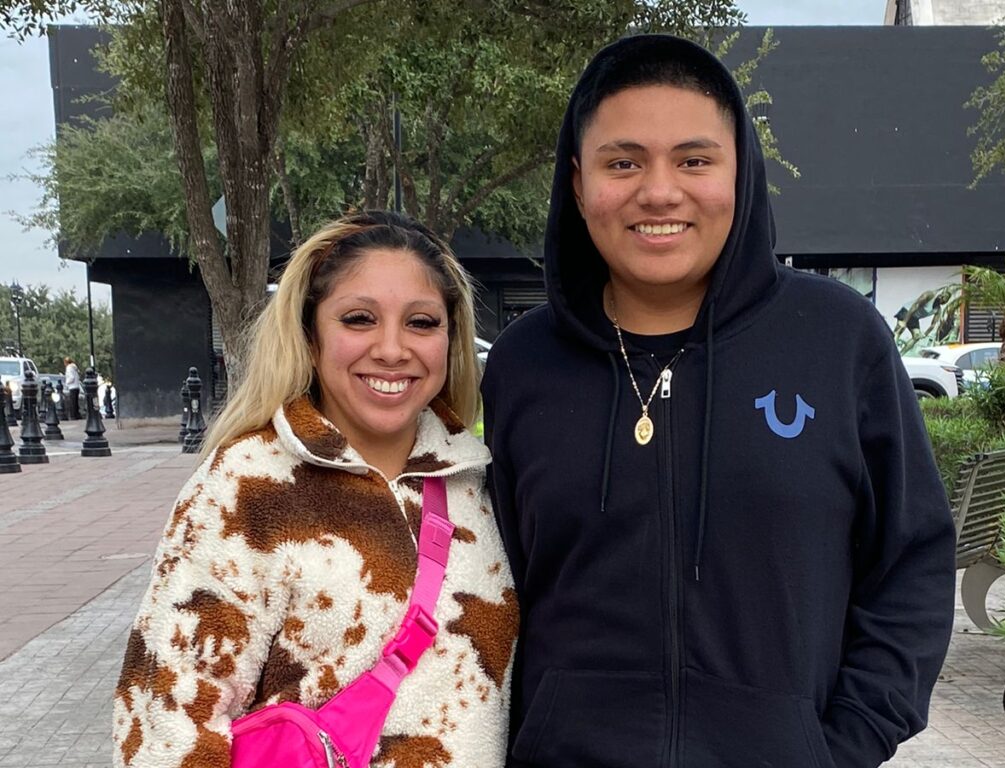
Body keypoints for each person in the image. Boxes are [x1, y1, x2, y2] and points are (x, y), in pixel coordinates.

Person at [482, 35, 955, 768]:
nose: (659, 191)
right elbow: (485, 589)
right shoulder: (523, 365)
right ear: (579, 185)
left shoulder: (835, 339)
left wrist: (842, 746)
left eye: (694, 160)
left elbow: (911, 565)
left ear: (742, 175)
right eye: (623, 162)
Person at [113, 211, 518, 768]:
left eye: (422, 322)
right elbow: (166, 722)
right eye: (359, 319)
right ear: (310, 334)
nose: (393, 349)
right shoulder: (248, 485)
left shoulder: (478, 480)